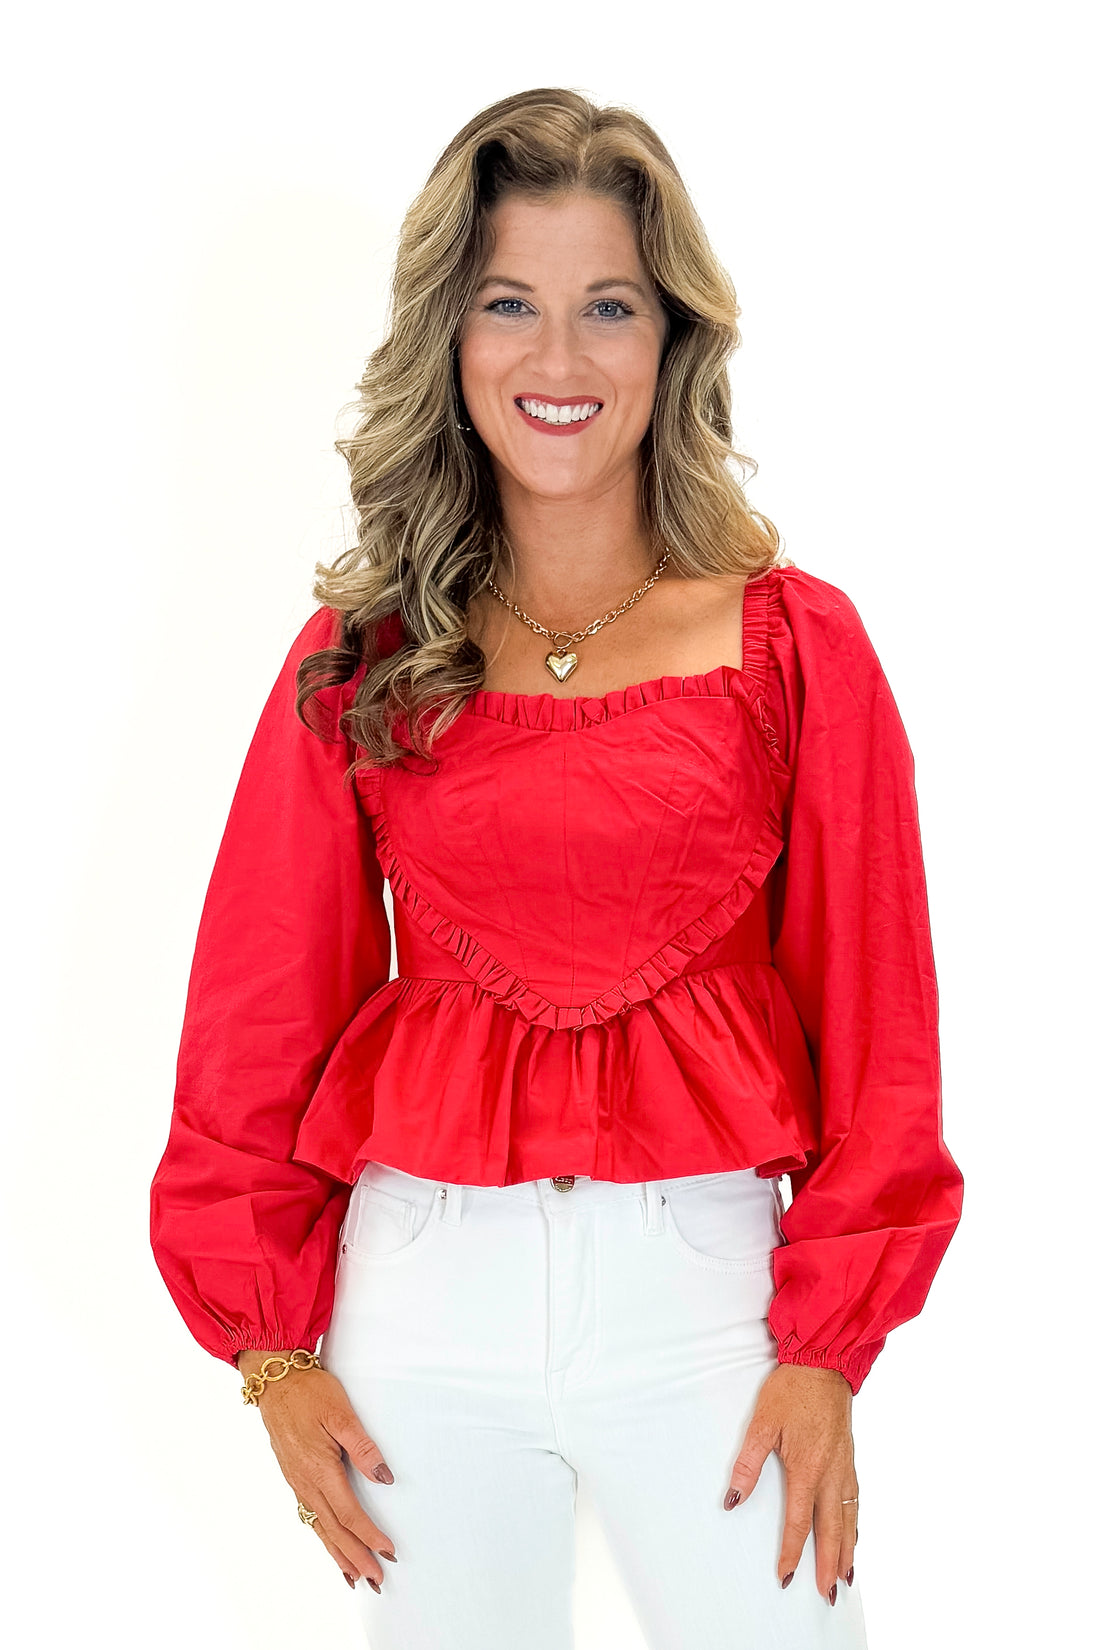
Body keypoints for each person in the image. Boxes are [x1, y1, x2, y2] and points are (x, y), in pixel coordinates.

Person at [149, 86, 964, 1650]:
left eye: (610, 308)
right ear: (450, 342)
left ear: (674, 343)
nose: (560, 361)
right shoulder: (365, 657)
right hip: (419, 1302)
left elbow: (881, 1016)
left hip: (713, 1307)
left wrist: (828, 1346)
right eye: (509, 307)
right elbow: (260, 1001)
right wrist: (271, 1347)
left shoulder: (797, 647)